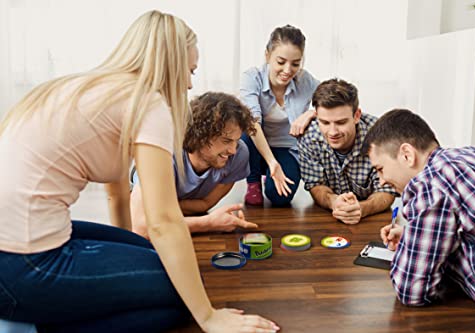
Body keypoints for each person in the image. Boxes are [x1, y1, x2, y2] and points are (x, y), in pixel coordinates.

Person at [0, 10, 279, 333]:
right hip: (22, 264)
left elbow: (116, 190)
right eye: (189, 71)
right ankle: (38, 325)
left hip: (17, 249)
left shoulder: (98, 90)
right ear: (171, 65)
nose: (190, 84)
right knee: (179, 296)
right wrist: (209, 317)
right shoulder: (149, 105)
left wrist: (124, 255)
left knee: (151, 253)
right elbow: (162, 222)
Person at [362, 109, 475, 321]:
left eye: (380, 169)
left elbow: (411, 290)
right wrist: (413, 235)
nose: (381, 180)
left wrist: (413, 245)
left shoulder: (430, 185)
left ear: (407, 154)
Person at [130, 92, 259, 236]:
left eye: (237, 140)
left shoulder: (240, 154)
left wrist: (161, 212)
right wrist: (209, 223)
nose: (233, 150)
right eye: (226, 141)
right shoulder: (162, 153)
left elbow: (205, 204)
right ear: (201, 136)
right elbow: (141, 227)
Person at [240, 24, 320, 206]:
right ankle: (253, 182)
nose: (287, 70)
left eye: (295, 64)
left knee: (279, 198)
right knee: (244, 125)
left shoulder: (306, 81)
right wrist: (271, 162)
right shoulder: (252, 78)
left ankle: (270, 179)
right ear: (267, 55)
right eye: (281, 62)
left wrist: (311, 113)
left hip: (286, 147)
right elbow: (252, 123)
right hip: (254, 146)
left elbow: (332, 102)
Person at [298, 78, 396, 224]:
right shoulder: (309, 137)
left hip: (372, 222)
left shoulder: (381, 137)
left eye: (341, 122)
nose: (332, 132)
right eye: (324, 122)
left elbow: (387, 191)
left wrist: (363, 209)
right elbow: (315, 184)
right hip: (329, 220)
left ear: (356, 116)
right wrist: (333, 201)